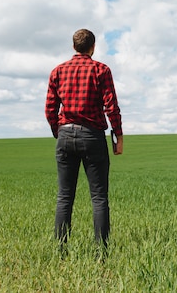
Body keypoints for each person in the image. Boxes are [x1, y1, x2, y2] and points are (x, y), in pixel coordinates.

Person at [45, 29, 123, 255]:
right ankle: (102, 253)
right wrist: (118, 136)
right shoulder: (101, 70)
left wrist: (58, 131)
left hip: (65, 135)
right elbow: (111, 106)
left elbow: (50, 108)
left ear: (73, 47)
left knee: (64, 197)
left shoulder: (57, 71)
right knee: (99, 198)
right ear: (93, 47)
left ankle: (61, 251)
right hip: (93, 137)